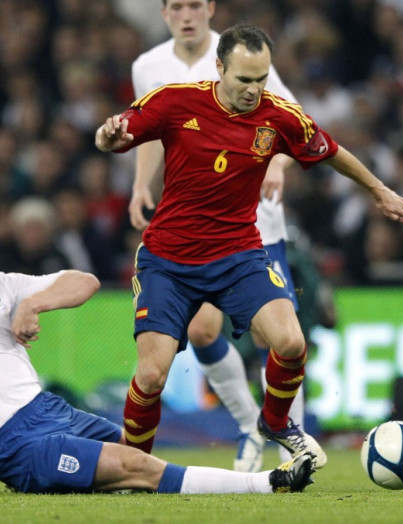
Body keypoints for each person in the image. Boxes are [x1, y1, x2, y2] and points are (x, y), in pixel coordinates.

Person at [0, 189, 316, 495]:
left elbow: (84, 280)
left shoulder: (2, 286)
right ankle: (268, 483)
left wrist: (33, 304)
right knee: (137, 468)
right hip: (14, 441)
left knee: (139, 459)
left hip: (53, 413)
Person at [95, 24, 403, 470]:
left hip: (239, 255)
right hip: (169, 261)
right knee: (150, 375)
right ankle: (130, 467)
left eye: (261, 78)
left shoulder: (278, 116)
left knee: (291, 343)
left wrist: (378, 190)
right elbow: (117, 133)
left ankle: (276, 422)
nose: (253, 89)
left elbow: (333, 151)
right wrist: (108, 139)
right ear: (220, 67)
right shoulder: (174, 100)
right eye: (244, 79)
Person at [129, 0, 304, 472]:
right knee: (202, 329)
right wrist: (141, 185)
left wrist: (280, 166)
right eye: (176, 6)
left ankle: (292, 444)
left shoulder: (244, 56)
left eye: (194, 5)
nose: (186, 15)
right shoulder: (148, 66)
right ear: (164, 12)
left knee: (283, 338)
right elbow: (153, 133)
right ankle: (251, 426)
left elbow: (291, 122)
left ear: (209, 9)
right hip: (198, 231)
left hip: (257, 226)